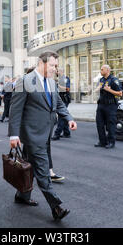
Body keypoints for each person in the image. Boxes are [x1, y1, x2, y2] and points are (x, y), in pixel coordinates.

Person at [9, 51, 77, 220]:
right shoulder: (24, 82)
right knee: (43, 169)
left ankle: (22, 196)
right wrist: (13, 135)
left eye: (56, 66)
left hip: (46, 133)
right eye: (52, 65)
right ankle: (56, 207)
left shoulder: (52, 83)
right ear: (41, 63)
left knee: (29, 167)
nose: (55, 69)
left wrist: (69, 118)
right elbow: (15, 110)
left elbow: (59, 104)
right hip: (32, 135)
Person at [95, 65, 123, 149]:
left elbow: (120, 93)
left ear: (107, 70)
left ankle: (111, 142)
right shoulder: (101, 80)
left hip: (110, 105)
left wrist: (109, 90)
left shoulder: (114, 80)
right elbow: (97, 90)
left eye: (102, 69)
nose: (100, 71)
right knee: (99, 123)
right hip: (101, 104)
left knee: (110, 124)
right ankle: (102, 141)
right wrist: (98, 88)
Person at [52, 68, 71, 141]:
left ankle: (57, 134)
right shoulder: (57, 79)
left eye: (57, 71)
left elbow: (67, 88)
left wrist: (59, 85)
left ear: (61, 71)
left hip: (64, 98)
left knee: (61, 115)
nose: (56, 72)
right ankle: (66, 132)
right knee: (63, 115)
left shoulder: (66, 79)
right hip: (59, 99)